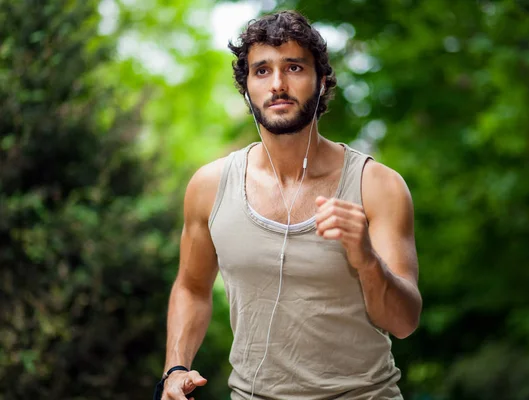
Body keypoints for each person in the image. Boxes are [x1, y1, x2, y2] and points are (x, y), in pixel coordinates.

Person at [157, 10, 422, 400]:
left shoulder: (377, 186)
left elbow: (403, 322)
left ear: (322, 80)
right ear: (246, 87)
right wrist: (175, 368)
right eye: (262, 71)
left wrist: (366, 258)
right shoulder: (210, 186)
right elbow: (192, 288)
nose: (278, 84)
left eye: (294, 67)